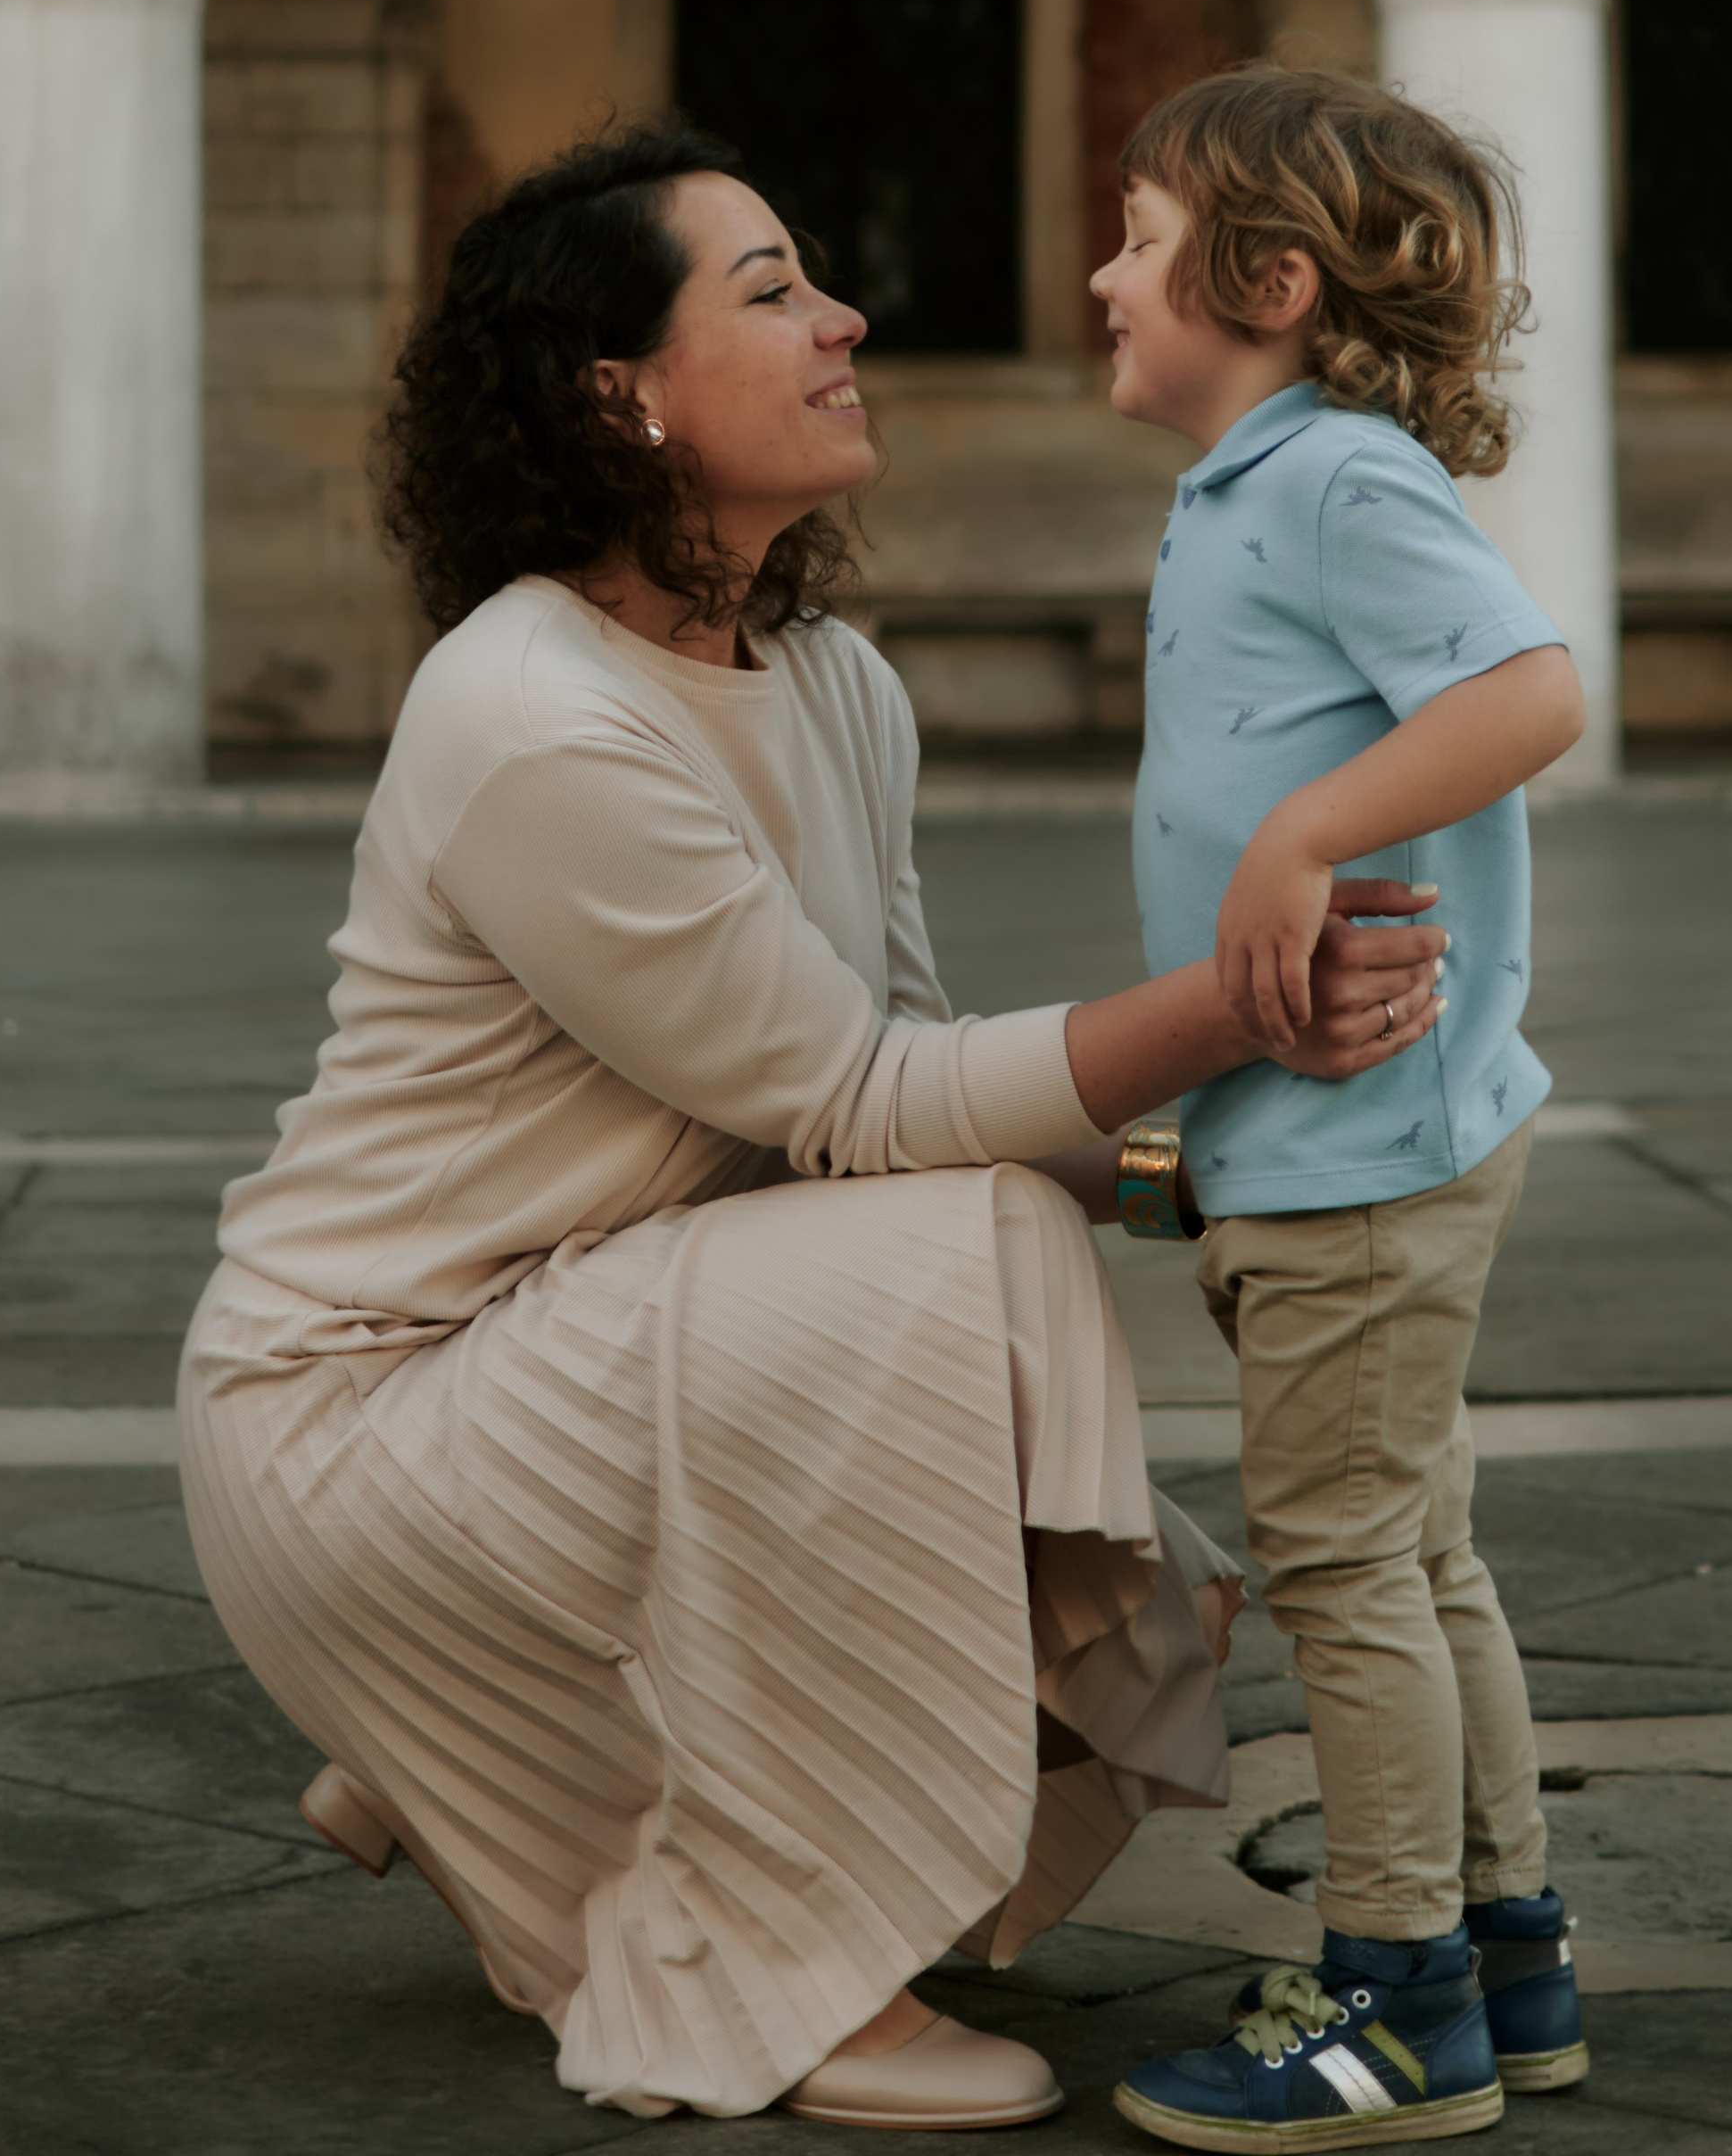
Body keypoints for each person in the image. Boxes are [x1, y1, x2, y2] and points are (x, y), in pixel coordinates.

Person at [176, 118, 1447, 2131]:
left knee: (977, 1253)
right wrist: (1242, 1000)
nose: (845, 319)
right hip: (371, 1398)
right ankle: (777, 1952)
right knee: (963, 1264)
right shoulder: (532, 713)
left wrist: (1218, 1179)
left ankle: (657, 1813)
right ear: (621, 393)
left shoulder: (836, 683)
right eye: (771, 291)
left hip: (602, 1325)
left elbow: (909, 1081)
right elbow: (867, 1108)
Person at [1087, 65, 1591, 2150]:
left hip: (1357, 1155)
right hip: (1325, 1141)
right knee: (1416, 1551)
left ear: (1271, 283)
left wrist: (1301, 834)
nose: (1102, 275)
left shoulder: (1330, 478)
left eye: (1138, 239)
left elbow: (1528, 690)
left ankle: (1393, 2002)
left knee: (1341, 1568)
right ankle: (1502, 1952)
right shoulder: (1255, 484)